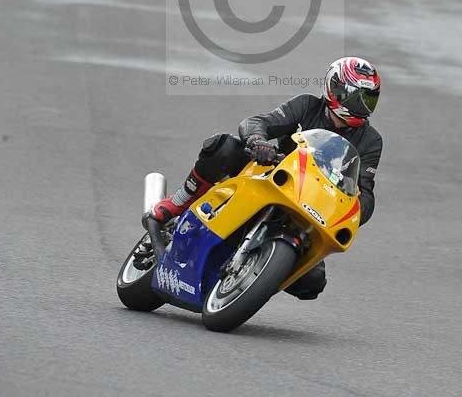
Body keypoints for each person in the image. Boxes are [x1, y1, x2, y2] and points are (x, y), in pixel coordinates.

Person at [151, 56, 383, 300]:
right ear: (335, 88)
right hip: (270, 176)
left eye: (369, 100)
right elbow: (258, 122)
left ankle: (252, 278)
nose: (363, 107)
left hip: (313, 206)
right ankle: (179, 201)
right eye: (357, 97)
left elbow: (365, 190)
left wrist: (354, 210)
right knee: (225, 147)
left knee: (312, 283)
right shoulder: (307, 106)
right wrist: (258, 142)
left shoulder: (371, 141)